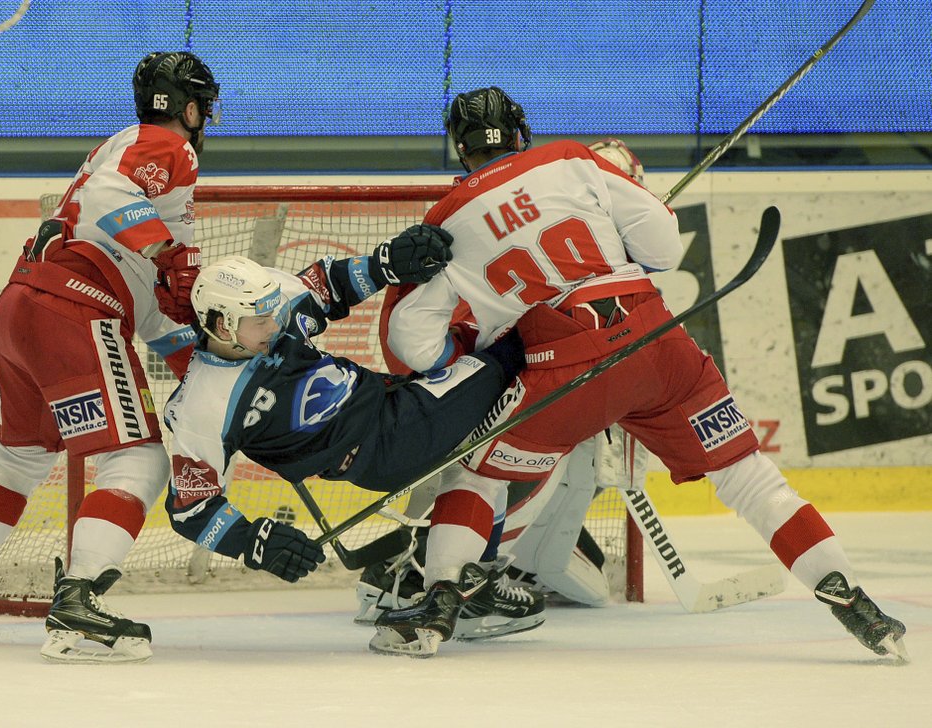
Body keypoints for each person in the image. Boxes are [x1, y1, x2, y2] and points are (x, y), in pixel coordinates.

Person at [369, 86, 908, 661]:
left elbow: (411, 345)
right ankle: (856, 604)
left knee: (477, 475)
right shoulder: (571, 160)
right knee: (747, 475)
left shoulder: (445, 220)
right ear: (522, 130)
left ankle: (440, 605)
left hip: (560, 369)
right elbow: (664, 247)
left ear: (460, 149)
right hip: (656, 345)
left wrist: (472, 352)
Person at [0, 51, 221, 663]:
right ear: (190, 108)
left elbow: (154, 311)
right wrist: (167, 252)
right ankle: (79, 606)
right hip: (74, 310)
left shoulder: (120, 151)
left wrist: (206, 372)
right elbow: (117, 204)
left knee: (18, 457)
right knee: (137, 462)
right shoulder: (168, 147)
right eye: (204, 107)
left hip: (20, 306)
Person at [163, 246, 544, 642]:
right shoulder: (202, 408)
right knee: (511, 352)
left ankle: (461, 583)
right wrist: (255, 542)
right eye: (261, 321)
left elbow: (328, 286)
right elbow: (191, 509)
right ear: (224, 326)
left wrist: (391, 260)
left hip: (391, 399)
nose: (275, 326)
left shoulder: (269, 303)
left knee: (481, 464)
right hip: (385, 445)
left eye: (273, 314)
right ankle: (455, 586)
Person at [355, 139, 653, 620]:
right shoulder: (563, 249)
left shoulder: (507, 220)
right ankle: (451, 573)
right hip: (465, 377)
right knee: (532, 447)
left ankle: (420, 568)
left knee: (490, 462)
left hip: (439, 380)